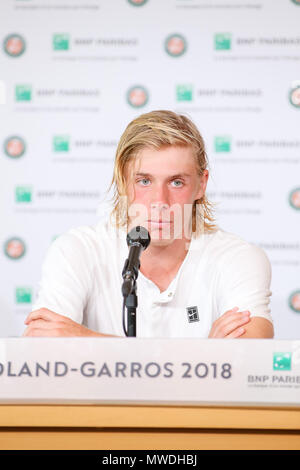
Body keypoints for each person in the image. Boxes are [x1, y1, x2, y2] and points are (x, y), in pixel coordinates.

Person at [23, 110, 274, 339]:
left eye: (176, 182)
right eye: (144, 181)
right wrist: (207, 355)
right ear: (123, 180)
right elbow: (41, 345)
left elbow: (250, 350)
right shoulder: (78, 250)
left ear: (201, 184)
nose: (160, 202)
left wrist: (83, 339)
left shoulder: (236, 257)